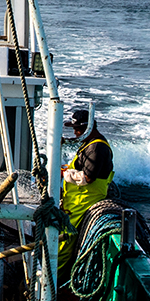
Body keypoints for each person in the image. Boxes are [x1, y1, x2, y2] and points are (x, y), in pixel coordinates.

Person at [58, 105, 113, 274]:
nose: (75, 133)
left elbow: (88, 178)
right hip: (75, 200)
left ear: (87, 128)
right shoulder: (88, 144)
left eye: (77, 130)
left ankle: (54, 278)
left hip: (84, 200)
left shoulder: (96, 148)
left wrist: (65, 173)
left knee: (66, 238)